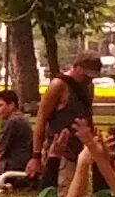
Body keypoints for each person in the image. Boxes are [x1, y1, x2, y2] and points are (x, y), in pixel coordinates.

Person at [30, 49, 104, 186]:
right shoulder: (58, 85)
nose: (89, 79)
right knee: (63, 194)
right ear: (76, 67)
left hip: (79, 150)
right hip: (60, 150)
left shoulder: (88, 87)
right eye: (86, 74)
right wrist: (36, 155)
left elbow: (88, 114)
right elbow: (41, 119)